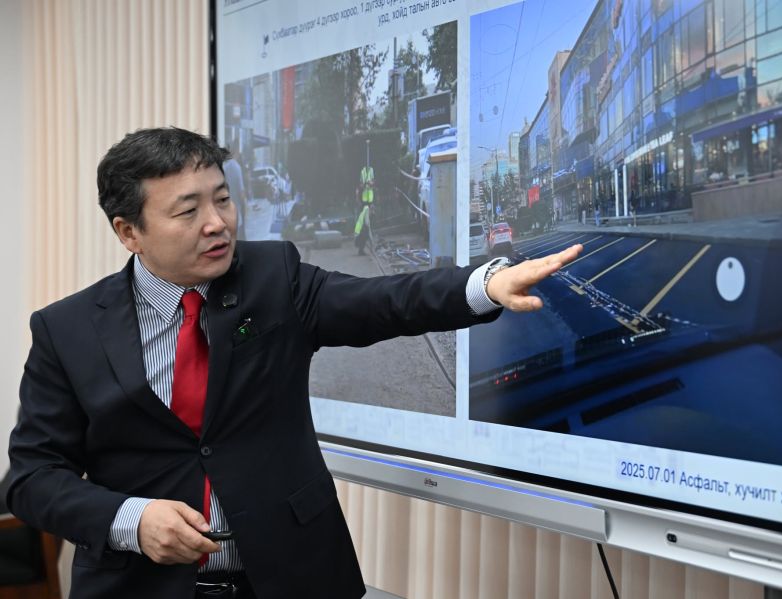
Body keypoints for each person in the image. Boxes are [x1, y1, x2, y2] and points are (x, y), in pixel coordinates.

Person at [5, 127, 582, 599]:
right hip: (140, 587)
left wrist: (484, 285)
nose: (217, 222)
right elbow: (31, 477)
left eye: (222, 198)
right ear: (129, 231)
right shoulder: (66, 330)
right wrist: (131, 520)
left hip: (292, 579)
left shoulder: (271, 278)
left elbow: (382, 301)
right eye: (188, 210)